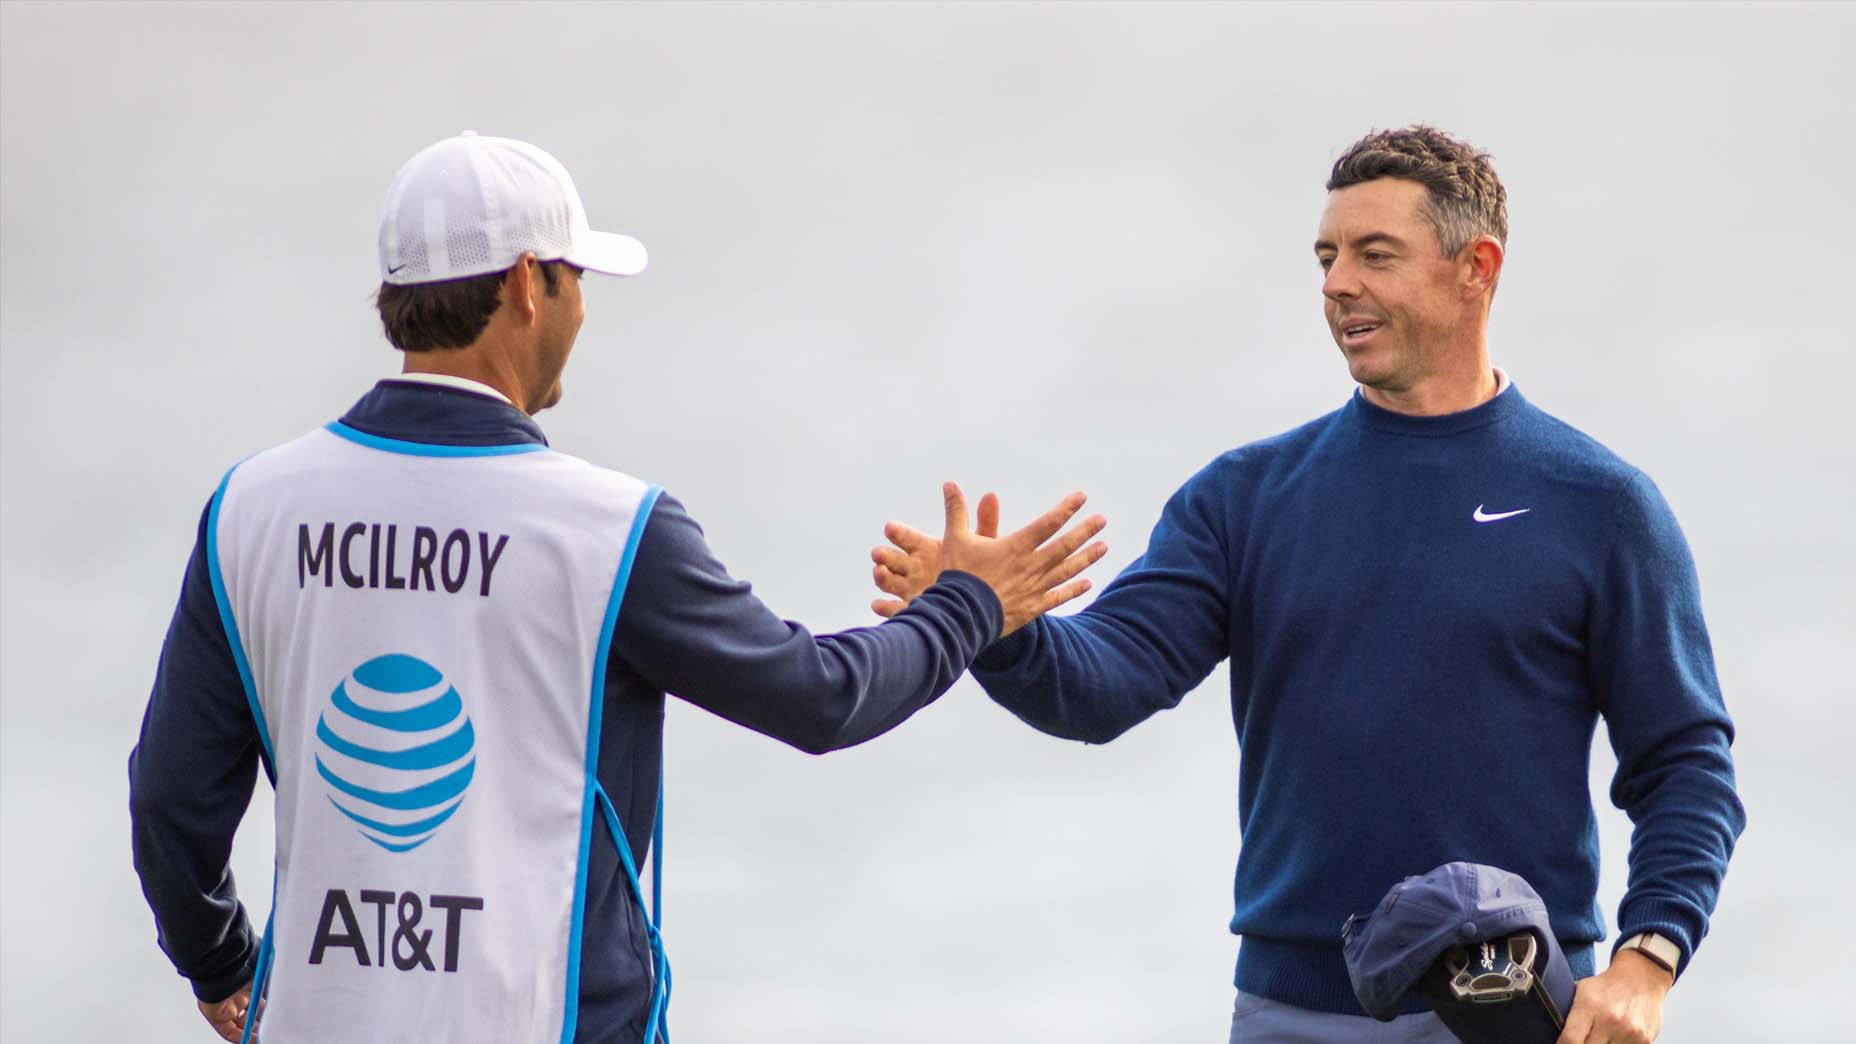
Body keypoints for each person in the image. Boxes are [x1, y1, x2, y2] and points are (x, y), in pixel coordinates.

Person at [128, 131, 1108, 1044]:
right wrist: (969, 607)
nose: (583, 309)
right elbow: (818, 698)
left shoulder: (250, 510)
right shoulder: (605, 529)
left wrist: (219, 961)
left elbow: (172, 803)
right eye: (576, 278)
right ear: (525, 285)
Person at [870, 125, 1745, 1044]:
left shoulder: (1599, 504)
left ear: (1475, 267)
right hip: (1290, 1014)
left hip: (1511, 1010)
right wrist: (994, 620)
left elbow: (1686, 763)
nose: (1336, 285)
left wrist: (1647, 962)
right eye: (1327, 257)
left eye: (1375, 255)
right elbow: (1104, 684)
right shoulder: (1247, 497)